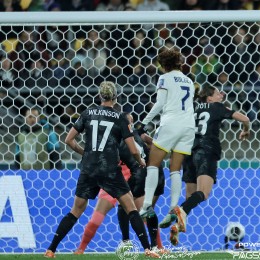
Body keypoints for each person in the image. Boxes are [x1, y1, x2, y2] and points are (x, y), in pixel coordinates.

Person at [44, 81, 159, 258]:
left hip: (89, 168)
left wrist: (85, 152)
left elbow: (68, 140)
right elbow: (133, 149)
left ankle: (51, 249)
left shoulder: (88, 113)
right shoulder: (120, 118)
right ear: (115, 97)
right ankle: (148, 249)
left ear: (100, 96)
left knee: (76, 211)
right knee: (131, 208)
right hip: (110, 169)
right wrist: (140, 161)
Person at [159, 86, 250, 246]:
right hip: (207, 151)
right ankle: (178, 212)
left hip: (187, 151)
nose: (221, 95)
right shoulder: (217, 107)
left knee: (190, 197)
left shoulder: (190, 107)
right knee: (204, 193)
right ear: (209, 98)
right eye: (217, 93)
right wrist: (246, 130)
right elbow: (245, 119)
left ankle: (176, 223)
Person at [74, 113, 166, 254]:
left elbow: (150, 144)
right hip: (113, 180)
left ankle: (157, 247)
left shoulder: (135, 136)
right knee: (95, 219)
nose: (129, 124)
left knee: (146, 213)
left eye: (131, 121)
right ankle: (80, 250)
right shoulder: (112, 136)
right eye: (127, 121)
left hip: (132, 181)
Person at [137, 49, 196, 226]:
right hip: (188, 126)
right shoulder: (189, 81)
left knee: (153, 164)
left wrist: (143, 123)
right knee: (175, 169)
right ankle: (173, 208)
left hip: (171, 123)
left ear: (164, 65)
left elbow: (160, 103)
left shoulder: (165, 78)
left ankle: (146, 205)